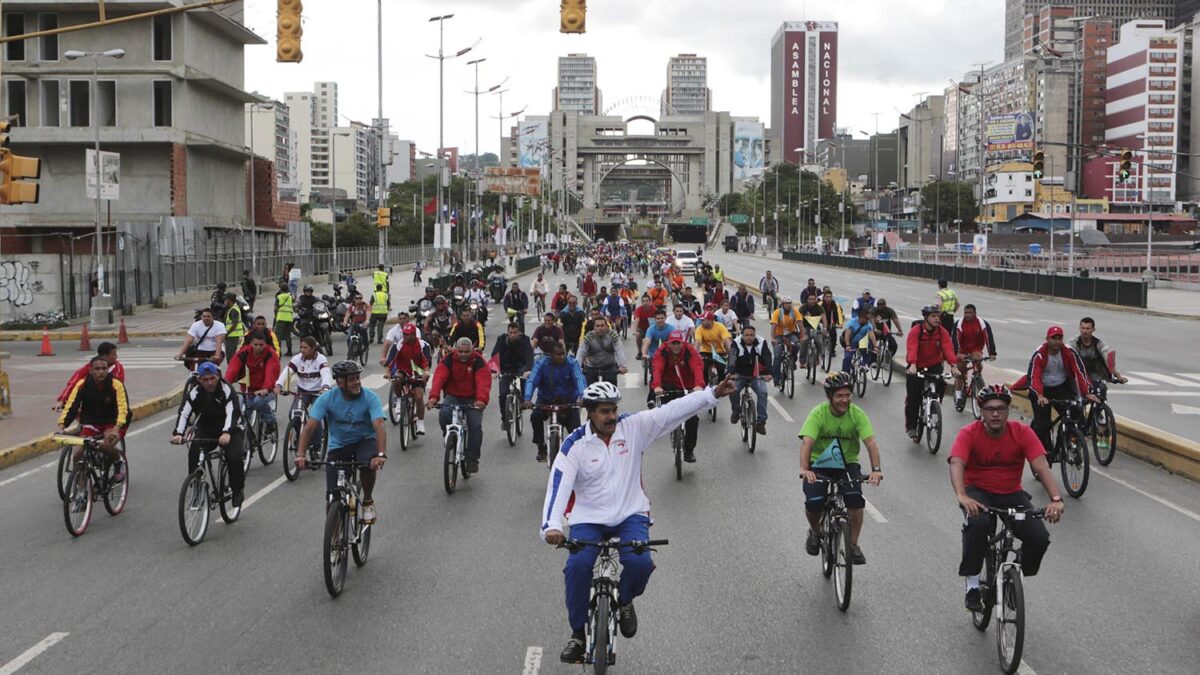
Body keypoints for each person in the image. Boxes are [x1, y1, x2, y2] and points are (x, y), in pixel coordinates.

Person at [542, 377, 737, 663]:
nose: (611, 416)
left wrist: (712, 394)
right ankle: (577, 634)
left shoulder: (633, 428)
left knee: (640, 563)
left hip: (630, 513)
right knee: (578, 567)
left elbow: (672, 411)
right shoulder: (575, 445)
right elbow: (558, 486)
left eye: (614, 409)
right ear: (590, 412)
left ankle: (624, 601)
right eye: (604, 411)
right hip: (589, 518)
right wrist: (553, 526)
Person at [949, 384, 1063, 612]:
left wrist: (1056, 498)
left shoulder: (1021, 433)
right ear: (981, 411)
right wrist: (962, 495)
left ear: (1008, 411)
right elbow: (956, 463)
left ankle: (1013, 578)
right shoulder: (969, 434)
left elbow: (1040, 466)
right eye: (989, 409)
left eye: (1001, 409)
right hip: (978, 493)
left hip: (1011, 493)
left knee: (1039, 538)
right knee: (978, 525)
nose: (995, 414)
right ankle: (972, 586)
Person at [799, 372, 884, 565]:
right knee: (814, 502)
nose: (844, 400)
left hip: (846, 463)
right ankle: (815, 531)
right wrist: (805, 469)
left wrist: (876, 469)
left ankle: (853, 545)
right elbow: (807, 442)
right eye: (839, 396)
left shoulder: (857, 414)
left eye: (848, 395)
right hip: (819, 462)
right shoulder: (818, 413)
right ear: (830, 397)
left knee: (855, 499)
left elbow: (871, 443)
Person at [296, 361, 388, 524]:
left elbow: (379, 426)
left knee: (367, 463)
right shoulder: (327, 399)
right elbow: (310, 427)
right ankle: (334, 539)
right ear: (339, 382)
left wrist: (380, 455)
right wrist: (301, 454)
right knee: (332, 496)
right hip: (339, 445)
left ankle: (367, 501)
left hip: (364, 441)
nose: (357, 382)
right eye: (352, 379)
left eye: (358, 378)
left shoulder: (370, 397)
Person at [171, 362, 243, 505]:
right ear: (199, 379)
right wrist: (179, 433)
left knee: (233, 456)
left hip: (231, 429)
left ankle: (237, 490)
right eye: (205, 379)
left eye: (212, 378)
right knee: (194, 452)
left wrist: (227, 432)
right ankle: (197, 487)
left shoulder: (226, 390)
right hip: (207, 429)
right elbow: (184, 413)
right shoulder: (195, 393)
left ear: (218, 376)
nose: (209, 383)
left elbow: (232, 412)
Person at [1020, 326, 1096, 457]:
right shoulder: (1039, 354)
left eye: (1059, 338)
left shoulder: (1069, 352)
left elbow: (1080, 372)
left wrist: (1087, 392)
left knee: (1076, 411)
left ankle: (1064, 441)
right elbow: (1034, 377)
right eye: (1053, 338)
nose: (1056, 341)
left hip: (1061, 388)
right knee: (1043, 424)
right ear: (1047, 339)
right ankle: (1042, 452)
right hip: (1041, 390)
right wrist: (1039, 394)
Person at [58, 355, 131, 482]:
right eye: (97, 369)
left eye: (104, 368)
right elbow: (72, 406)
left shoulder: (116, 384)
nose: (101, 372)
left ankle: (118, 461)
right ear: (90, 370)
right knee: (77, 452)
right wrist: (62, 426)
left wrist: (116, 427)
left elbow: (123, 408)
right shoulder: (82, 384)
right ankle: (79, 485)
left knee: (104, 445)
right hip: (91, 422)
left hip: (112, 422)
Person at [428, 337, 491, 474]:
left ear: (472, 350)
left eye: (466, 351)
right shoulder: (449, 359)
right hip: (453, 395)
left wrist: (481, 400)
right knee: (444, 413)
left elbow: (483, 381)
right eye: (460, 351)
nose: (463, 354)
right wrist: (433, 397)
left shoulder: (478, 361)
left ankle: (472, 460)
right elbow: (439, 377)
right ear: (456, 350)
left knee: (475, 426)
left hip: (473, 398)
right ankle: (448, 435)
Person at [905, 306, 960, 441]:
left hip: (934, 365)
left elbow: (948, 348)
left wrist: (953, 365)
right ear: (926, 318)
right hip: (916, 366)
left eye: (938, 316)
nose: (937, 319)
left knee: (941, 384)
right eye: (933, 316)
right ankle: (912, 426)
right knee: (913, 398)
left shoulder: (942, 332)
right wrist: (912, 364)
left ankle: (934, 406)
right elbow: (912, 347)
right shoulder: (916, 331)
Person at [524, 342, 586, 462]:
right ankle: (541, 447)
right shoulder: (542, 364)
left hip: (568, 401)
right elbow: (531, 380)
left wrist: (582, 397)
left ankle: (579, 458)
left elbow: (580, 379)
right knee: (535, 416)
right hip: (546, 400)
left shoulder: (572, 363)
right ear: (551, 355)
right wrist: (527, 399)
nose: (562, 356)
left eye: (563, 354)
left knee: (577, 432)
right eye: (558, 354)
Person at [650, 330, 705, 462]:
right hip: (668, 385)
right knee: (664, 412)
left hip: (688, 386)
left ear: (682, 343)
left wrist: (699, 386)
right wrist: (657, 386)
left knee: (692, 419)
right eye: (673, 344)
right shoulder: (662, 351)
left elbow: (697, 368)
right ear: (668, 344)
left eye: (678, 343)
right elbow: (657, 368)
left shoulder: (689, 350)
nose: (676, 346)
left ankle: (689, 450)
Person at [274, 336, 333, 453]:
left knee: (315, 417)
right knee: (294, 414)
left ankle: (316, 447)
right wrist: (279, 385)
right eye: (301, 347)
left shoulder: (321, 359)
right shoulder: (297, 359)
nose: (302, 350)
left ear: (313, 348)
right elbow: (287, 371)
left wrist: (325, 387)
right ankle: (303, 434)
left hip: (318, 392)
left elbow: (326, 373)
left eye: (305, 347)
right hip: (302, 391)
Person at [224, 331, 281, 439]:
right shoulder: (244, 352)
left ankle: (270, 421)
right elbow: (233, 368)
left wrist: (265, 388)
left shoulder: (270, 354)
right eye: (255, 345)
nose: (258, 347)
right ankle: (246, 442)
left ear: (265, 344)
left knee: (258, 402)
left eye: (261, 345)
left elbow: (271, 372)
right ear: (250, 344)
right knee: (239, 413)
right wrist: (226, 384)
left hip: (267, 389)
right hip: (248, 389)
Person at [386, 324, 430, 436]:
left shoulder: (422, 345)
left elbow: (426, 362)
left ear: (414, 335)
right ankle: (400, 400)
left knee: (419, 397)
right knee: (396, 379)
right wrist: (388, 371)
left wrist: (425, 373)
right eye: (403, 334)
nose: (404, 336)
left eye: (407, 334)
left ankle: (420, 422)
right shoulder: (400, 344)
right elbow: (393, 360)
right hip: (404, 370)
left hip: (418, 372)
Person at [951, 304, 998, 409]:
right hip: (962, 349)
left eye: (970, 313)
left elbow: (988, 337)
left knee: (978, 364)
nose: (967, 315)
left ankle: (978, 382)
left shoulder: (982, 323)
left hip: (976, 349)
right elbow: (955, 339)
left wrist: (992, 353)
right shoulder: (959, 324)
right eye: (965, 313)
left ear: (975, 313)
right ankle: (958, 395)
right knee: (960, 370)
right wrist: (957, 354)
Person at [55, 342, 125, 412]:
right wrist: (62, 400)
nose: (116, 357)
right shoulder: (89, 366)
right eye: (114, 355)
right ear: (104, 356)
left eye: (104, 369)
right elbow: (73, 382)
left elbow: (116, 388)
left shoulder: (117, 368)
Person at [493, 322, 535, 432]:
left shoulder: (525, 340)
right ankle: (504, 419)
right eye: (510, 332)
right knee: (503, 394)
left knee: (524, 381)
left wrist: (528, 370)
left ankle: (523, 400)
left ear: (519, 333)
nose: (512, 335)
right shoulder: (501, 339)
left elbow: (530, 356)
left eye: (515, 333)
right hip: (505, 369)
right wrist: (494, 370)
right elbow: (495, 354)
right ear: (507, 332)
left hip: (520, 368)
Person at [728, 324, 771, 432]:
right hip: (740, 373)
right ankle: (736, 411)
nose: (749, 337)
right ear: (742, 335)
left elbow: (767, 358)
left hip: (757, 374)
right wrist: (731, 373)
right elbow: (732, 359)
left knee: (763, 392)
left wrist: (769, 373)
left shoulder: (761, 342)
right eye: (746, 335)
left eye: (752, 335)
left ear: (755, 335)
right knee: (733, 390)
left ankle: (761, 422)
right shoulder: (736, 343)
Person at [1071, 317, 1129, 384]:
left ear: (1093, 330)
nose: (1085, 331)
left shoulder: (1099, 344)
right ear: (1079, 328)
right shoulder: (1073, 343)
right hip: (1077, 373)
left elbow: (1108, 360)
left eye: (1088, 328)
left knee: (1101, 388)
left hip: (1094, 374)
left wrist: (1118, 376)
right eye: (1083, 328)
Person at [577, 316, 628, 385]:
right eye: (597, 326)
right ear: (594, 327)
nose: (600, 328)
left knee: (612, 393)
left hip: (609, 368)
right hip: (592, 368)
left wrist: (623, 366)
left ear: (607, 326)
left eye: (602, 326)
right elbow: (581, 352)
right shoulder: (589, 337)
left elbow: (619, 350)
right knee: (589, 393)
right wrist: (577, 368)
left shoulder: (613, 336)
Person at [770, 295, 805, 380]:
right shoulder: (777, 312)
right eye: (786, 303)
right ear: (782, 304)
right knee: (777, 355)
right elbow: (773, 326)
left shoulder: (795, 312)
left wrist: (802, 336)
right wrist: (772, 338)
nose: (789, 305)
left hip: (791, 334)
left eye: (790, 303)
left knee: (796, 345)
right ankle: (777, 378)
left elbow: (800, 324)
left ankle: (792, 361)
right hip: (778, 335)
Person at [694, 311, 732, 386]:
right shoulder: (699, 329)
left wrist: (731, 353)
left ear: (710, 320)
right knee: (703, 368)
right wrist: (694, 356)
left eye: (703, 320)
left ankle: (721, 386)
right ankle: (704, 386)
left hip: (719, 352)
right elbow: (697, 343)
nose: (701, 322)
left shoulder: (720, 327)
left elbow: (727, 341)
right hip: (706, 352)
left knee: (722, 370)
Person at [839, 306, 878, 373]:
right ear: (861, 317)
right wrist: (848, 345)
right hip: (851, 342)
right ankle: (846, 374)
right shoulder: (851, 323)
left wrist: (875, 346)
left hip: (862, 342)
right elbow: (847, 335)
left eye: (869, 318)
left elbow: (872, 336)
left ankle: (863, 365)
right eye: (867, 318)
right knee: (848, 358)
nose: (868, 320)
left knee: (869, 351)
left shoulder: (868, 325)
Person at [820, 289, 844, 359]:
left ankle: (832, 350)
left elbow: (839, 314)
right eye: (827, 297)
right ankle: (820, 350)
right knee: (819, 337)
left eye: (830, 297)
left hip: (831, 323)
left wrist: (840, 324)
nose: (829, 299)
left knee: (833, 336)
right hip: (821, 323)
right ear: (824, 297)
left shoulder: (835, 305)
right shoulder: (820, 304)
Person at [631, 295, 658, 360]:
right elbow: (636, 320)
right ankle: (640, 352)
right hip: (642, 329)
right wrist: (634, 331)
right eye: (643, 301)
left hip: (651, 328)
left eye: (647, 301)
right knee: (638, 335)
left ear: (650, 302)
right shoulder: (638, 310)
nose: (645, 302)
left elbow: (657, 319)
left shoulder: (654, 309)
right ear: (641, 302)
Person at [222, 293, 246, 362]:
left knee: (230, 357)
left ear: (229, 300)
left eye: (226, 299)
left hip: (233, 336)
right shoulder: (232, 308)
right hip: (233, 336)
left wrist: (226, 333)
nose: (225, 301)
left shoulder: (233, 310)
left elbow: (234, 324)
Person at [274, 283, 295, 356]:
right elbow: (294, 303)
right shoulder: (290, 297)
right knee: (288, 335)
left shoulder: (279, 297)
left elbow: (275, 308)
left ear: (281, 289)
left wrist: (276, 316)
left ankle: (278, 351)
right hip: (289, 318)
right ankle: (289, 351)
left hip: (281, 318)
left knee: (278, 336)